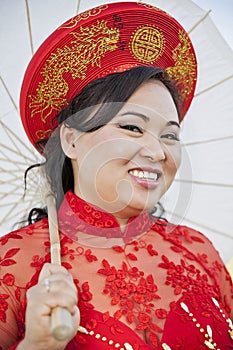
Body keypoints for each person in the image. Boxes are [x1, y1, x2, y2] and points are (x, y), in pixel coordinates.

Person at [0, 2, 232, 350]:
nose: (157, 152)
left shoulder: (200, 251)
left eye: (170, 135)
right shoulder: (14, 265)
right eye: (132, 127)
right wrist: (36, 344)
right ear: (72, 139)